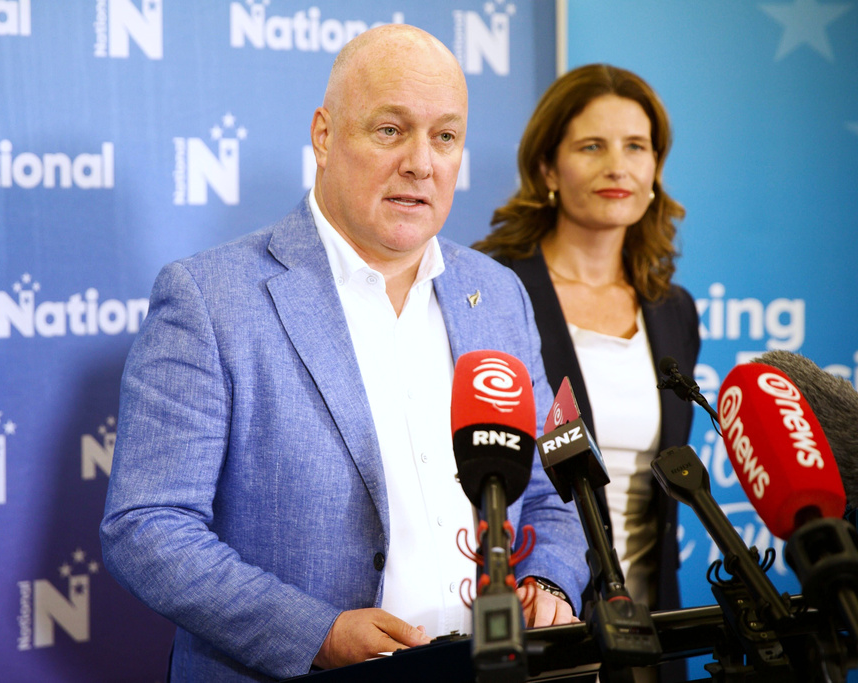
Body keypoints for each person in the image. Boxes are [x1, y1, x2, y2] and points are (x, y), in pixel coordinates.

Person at [100, 25, 588, 683]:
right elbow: (147, 526)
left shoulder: (498, 294)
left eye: (444, 137)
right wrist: (316, 634)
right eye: (391, 130)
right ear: (325, 135)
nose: (422, 162)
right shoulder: (210, 298)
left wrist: (551, 583)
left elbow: (558, 483)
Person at [474, 64, 700, 682]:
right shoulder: (489, 290)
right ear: (548, 168)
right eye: (591, 146)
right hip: (541, 618)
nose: (617, 166)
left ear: (656, 167)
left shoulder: (671, 307)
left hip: (653, 622)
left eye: (636, 147)